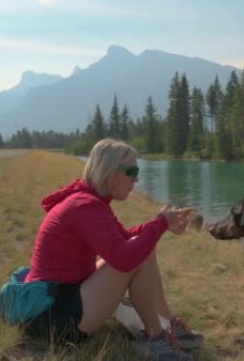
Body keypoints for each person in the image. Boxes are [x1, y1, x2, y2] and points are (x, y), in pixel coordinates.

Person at [22, 138, 202, 361]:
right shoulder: (84, 206)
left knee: (140, 246)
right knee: (138, 255)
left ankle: (166, 325)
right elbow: (125, 259)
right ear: (108, 171)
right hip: (56, 319)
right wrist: (160, 223)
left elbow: (125, 237)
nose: (136, 178)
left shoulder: (89, 201)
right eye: (131, 171)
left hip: (58, 301)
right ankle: (156, 340)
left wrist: (163, 224)